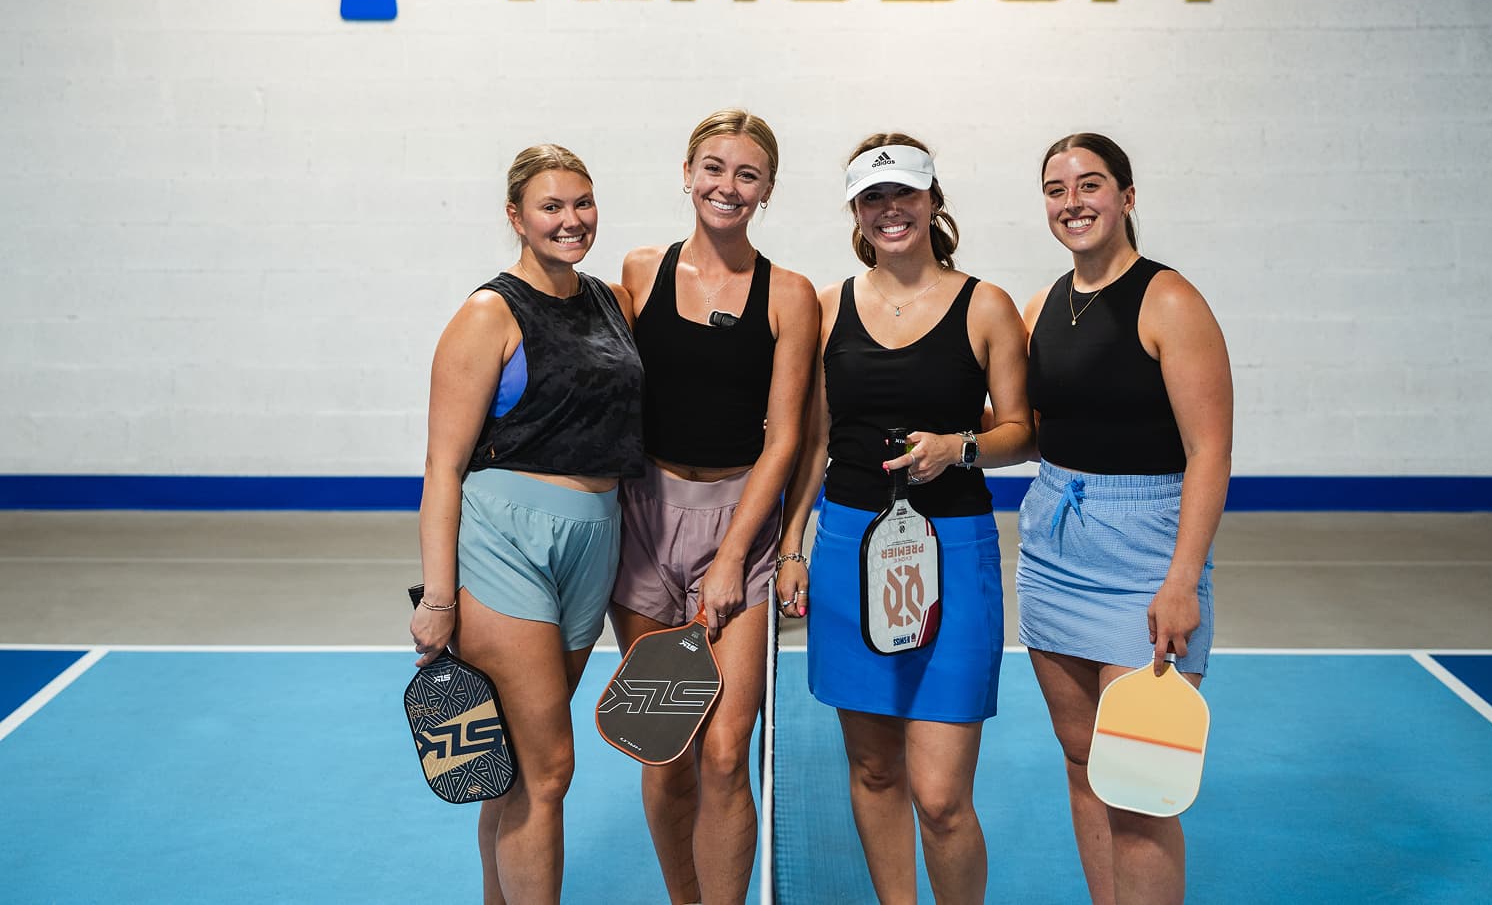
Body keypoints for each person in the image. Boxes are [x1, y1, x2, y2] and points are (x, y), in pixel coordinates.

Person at [776, 133, 1032, 905]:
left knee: (942, 796)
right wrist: (792, 547)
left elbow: (1021, 430)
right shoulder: (826, 309)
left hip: (953, 550)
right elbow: (811, 439)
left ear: (932, 200)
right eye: (873, 198)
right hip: (850, 547)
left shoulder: (985, 305)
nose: (891, 211)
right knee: (874, 770)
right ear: (857, 212)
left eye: (905, 194)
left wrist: (958, 447)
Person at [410, 144, 644, 905]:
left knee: (511, 766)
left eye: (583, 202)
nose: (571, 220)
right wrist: (439, 600)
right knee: (549, 769)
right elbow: (443, 467)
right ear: (516, 216)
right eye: (552, 206)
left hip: (593, 539)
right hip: (505, 541)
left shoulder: (611, 300)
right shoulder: (489, 312)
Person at [1017, 132, 1233, 905]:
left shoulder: (1169, 299)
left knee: (1142, 784)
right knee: (1083, 763)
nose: (1072, 203)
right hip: (1053, 540)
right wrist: (953, 441)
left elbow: (1209, 451)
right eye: (1055, 189)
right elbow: (1043, 429)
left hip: (1145, 550)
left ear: (1128, 196)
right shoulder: (1043, 304)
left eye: (1090, 185)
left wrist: (1182, 582)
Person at [612, 109, 818, 905]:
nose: (725, 186)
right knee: (666, 748)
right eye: (712, 167)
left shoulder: (790, 295)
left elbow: (787, 437)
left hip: (741, 524)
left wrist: (734, 554)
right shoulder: (638, 272)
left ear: (766, 190)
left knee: (728, 749)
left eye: (746, 174)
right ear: (687, 173)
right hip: (644, 520)